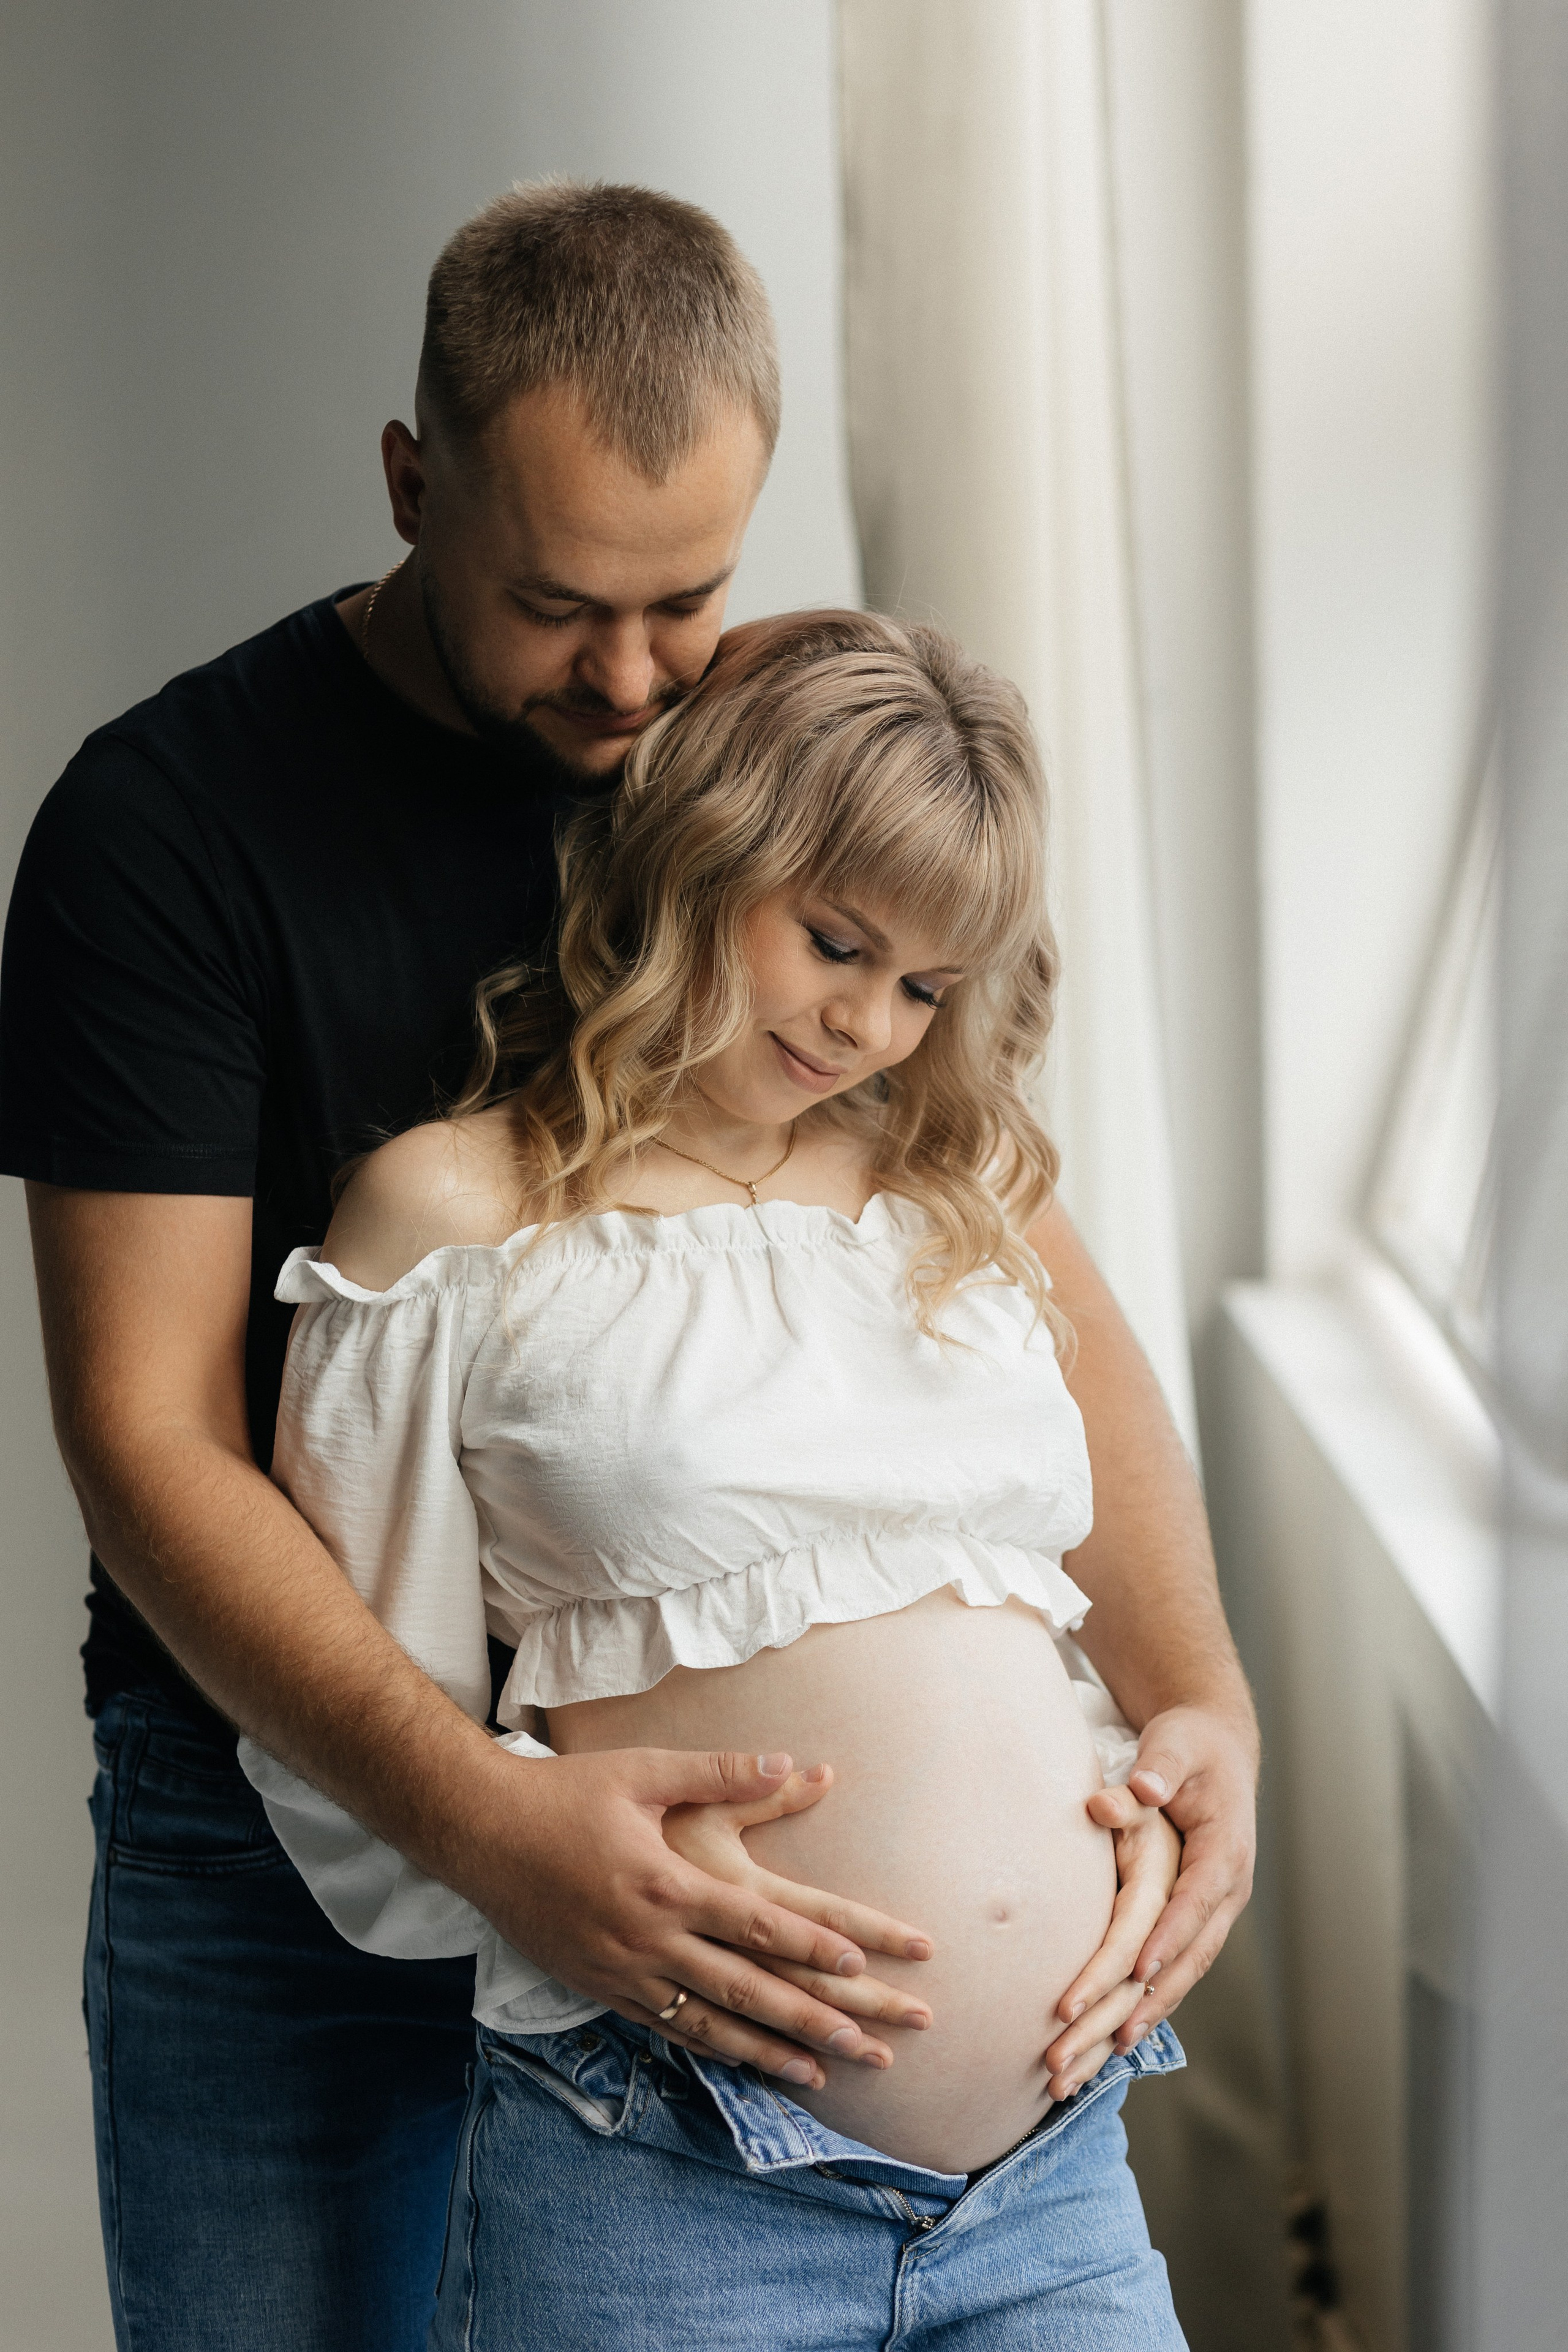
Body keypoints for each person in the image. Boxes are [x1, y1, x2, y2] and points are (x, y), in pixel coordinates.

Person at [0, 183, 1257, 2351]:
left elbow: (1008, 1248)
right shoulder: (167, 832)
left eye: (691, 596)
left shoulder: (741, 745)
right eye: (560, 604)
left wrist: (1200, 1692)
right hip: (291, 1785)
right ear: (413, 487)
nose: (635, 676)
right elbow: (143, 1432)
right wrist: (483, 1812)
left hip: (833, 2055)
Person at [251, 606, 1193, 2345]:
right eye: (835, 941)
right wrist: (536, 1876)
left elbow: (1041, 1592)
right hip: (668, 2175)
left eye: (924, 984)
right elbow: (367, 1712)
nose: (867, 1022)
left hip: (1058, 2171)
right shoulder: (453, 1219)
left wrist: (1157, 1759)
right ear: (701, 859)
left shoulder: (949, 1188)